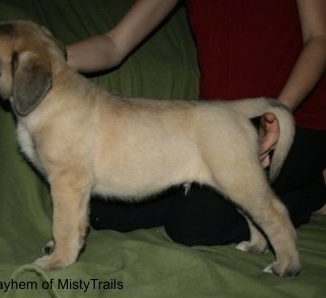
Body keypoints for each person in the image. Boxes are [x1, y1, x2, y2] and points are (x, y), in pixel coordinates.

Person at [66, 0, 326, 246]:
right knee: (104, 209)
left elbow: (319, 37)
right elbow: (113, 44)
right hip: (213, 128)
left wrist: (277, 113)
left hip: (295, 119)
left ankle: (313, 191)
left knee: (192, 224)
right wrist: (42, 55)